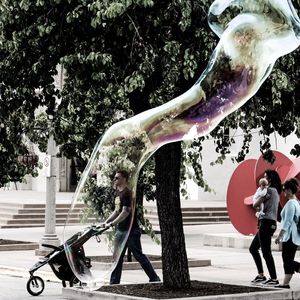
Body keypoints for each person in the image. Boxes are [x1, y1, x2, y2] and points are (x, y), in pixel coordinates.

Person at [102, 170, 160, 284]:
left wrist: (113, 224)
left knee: (138, 255)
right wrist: (106, 222)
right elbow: (117, 210)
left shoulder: (127, 193)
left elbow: (126, 212)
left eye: (117, 178)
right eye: (115, 178)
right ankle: (114, 283)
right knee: (116, 258)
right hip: (121, 230)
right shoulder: (118, 193)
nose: (115, 180)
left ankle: (154, 278)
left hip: (131, 231)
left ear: (124, 179)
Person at [249, 169, 282, 285]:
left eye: (265, 177)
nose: (263, 179)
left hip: (267, 223)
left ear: (270, 179)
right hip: (267, 223)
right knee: (253, 248)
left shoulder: (269, 191)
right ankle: (261, 275)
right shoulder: (275, 191)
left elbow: (255, 204)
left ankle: (274, 279)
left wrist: (257, 201)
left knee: (266, 252)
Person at [274, 178, 300, 289]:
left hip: (289, 236)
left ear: (289, 190)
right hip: (295, 237)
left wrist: (279, 236)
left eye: (284, 189)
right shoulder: (297, 202)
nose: (283, 192)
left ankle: (285, 284)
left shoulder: (291, 204)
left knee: (287, 260)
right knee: (288, 260)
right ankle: (285, 284)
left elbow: (287, 222)